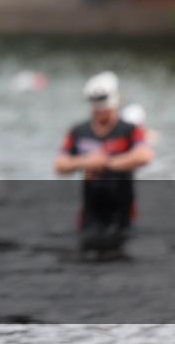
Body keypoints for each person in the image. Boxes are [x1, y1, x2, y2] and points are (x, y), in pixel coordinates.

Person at [54, 71, 153, 255]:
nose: (101, 113)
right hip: (91, 211)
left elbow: (144, 155)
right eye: (97, 110)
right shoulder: (78, 131)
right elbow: (60, 165)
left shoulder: (129, 130)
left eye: (105, 109)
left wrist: (107, 163)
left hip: (122, 209)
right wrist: (84, 162)